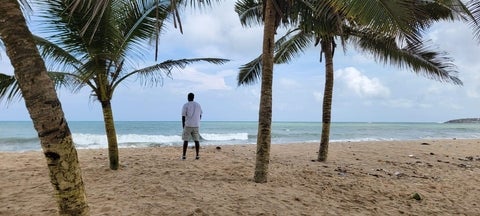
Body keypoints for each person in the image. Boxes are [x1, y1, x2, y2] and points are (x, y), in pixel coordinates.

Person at [181, 92, 202, 160]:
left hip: (188, 125)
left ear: (188, 97)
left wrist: (183, 125)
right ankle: (197, 155)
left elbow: (183, 116)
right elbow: (200, 115)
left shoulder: (186, 105)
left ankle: (184, 156)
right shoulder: (198, 105)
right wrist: (197, 121)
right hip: (196, 125)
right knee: (196, 140)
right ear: (193, 97)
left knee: (186, 140)